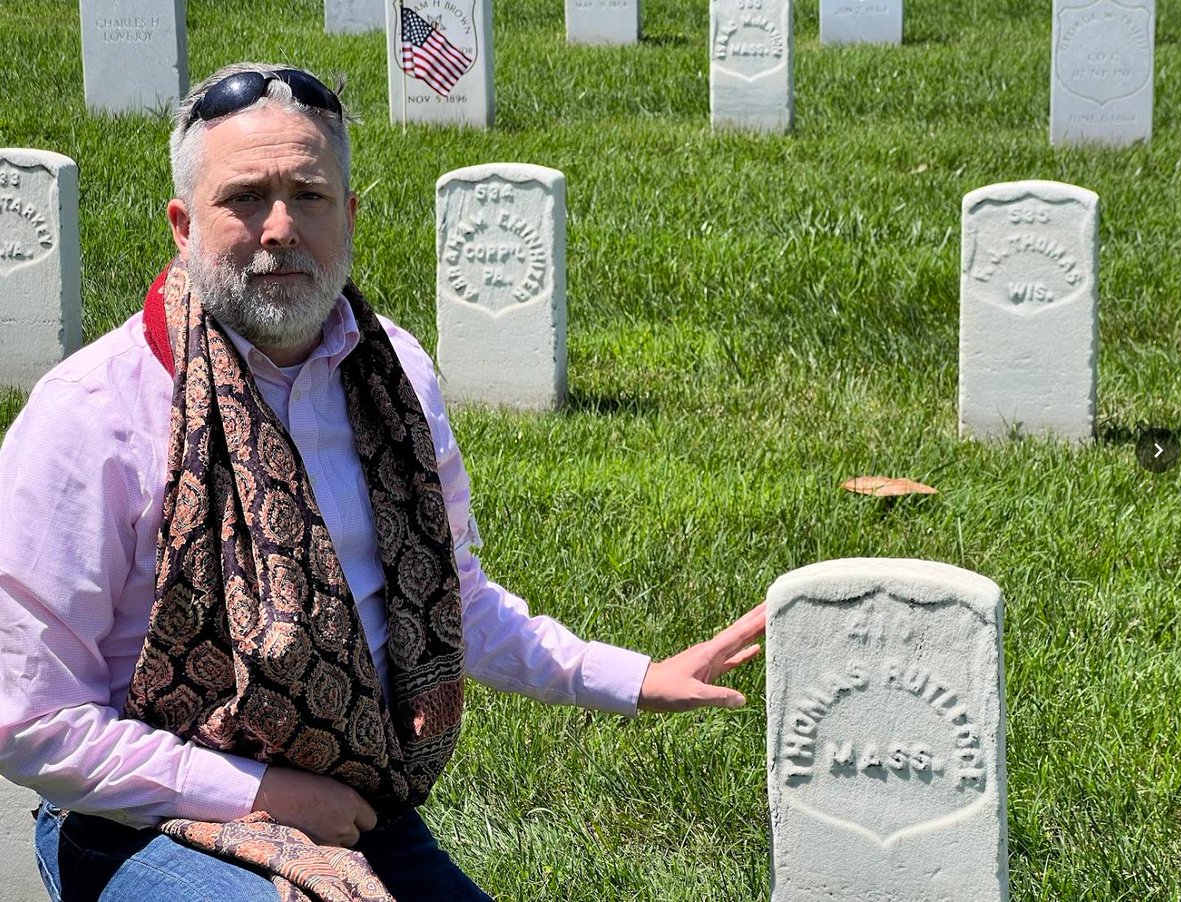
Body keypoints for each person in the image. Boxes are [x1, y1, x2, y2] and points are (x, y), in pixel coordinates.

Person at [0, 62, 765, 901]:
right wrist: (262, 795)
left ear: (351, 216)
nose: (281, 227)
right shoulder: (89, 415)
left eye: (311, 195)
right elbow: (31, 722)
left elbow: (447, 602)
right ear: (183, 225)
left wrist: (635, 678)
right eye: (244, 198)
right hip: (132, 821)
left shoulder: (392, 377)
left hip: (354, 796)